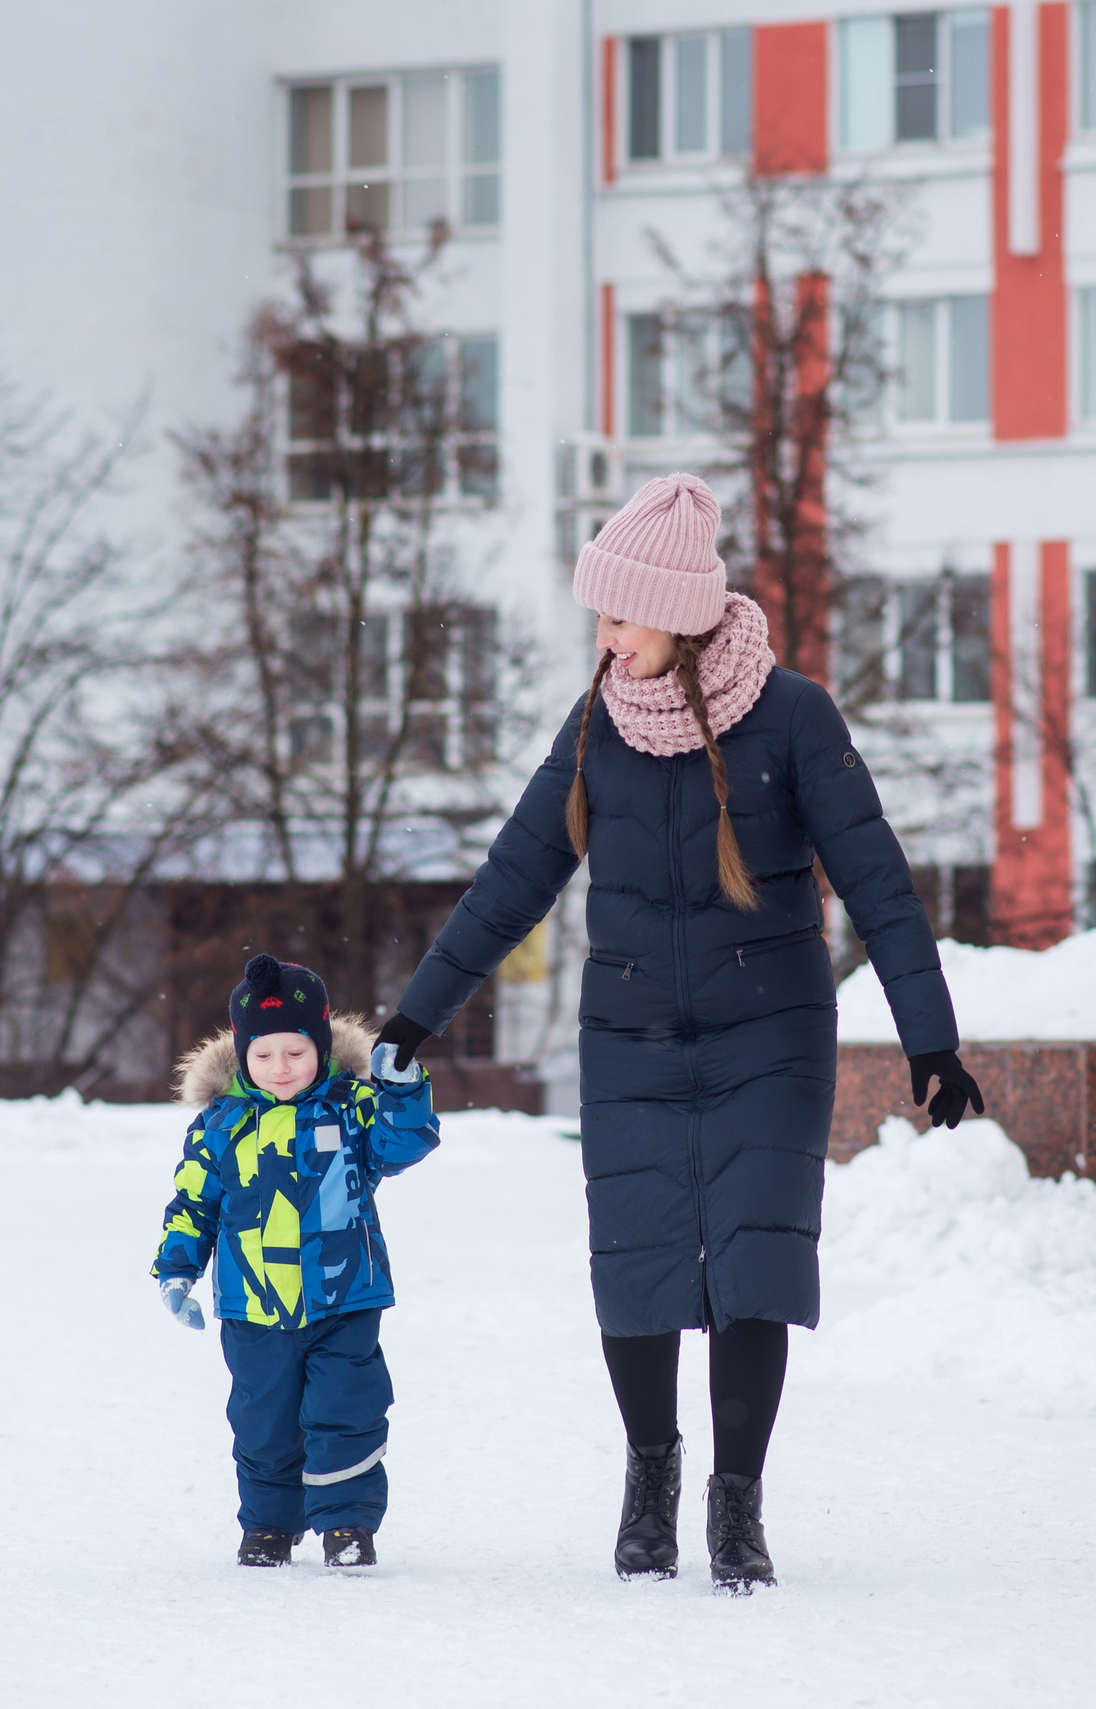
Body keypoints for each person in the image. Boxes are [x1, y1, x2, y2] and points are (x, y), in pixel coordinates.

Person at [373, 473, 982, 1594]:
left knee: (755, 1257)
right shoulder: (597, 723)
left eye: (620, 615)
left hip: (771, 1032)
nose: (605, 638)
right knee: (637, 1257)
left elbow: (878, 882)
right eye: (599, 617)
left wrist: (930, 1041)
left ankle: (736, 1499)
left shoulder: (791, 716)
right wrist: (418, 1014)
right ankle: (650, 1474)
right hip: (633, 1032)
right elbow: (514, 877)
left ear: (677, 611)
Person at [151, 952, 441, 1570]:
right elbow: (194, 1203)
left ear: (321, 1048)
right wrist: (177, 1269)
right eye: (263, 1055)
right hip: (254, 1308)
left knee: (346, 1411)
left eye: (295, 1052)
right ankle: (268, 1526)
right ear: (242, 1054)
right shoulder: (220, 1125)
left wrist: (401, 1086)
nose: (280, 1069)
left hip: (344, 1298)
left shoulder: (352, 1108)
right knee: (264, 1423)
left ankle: (346, 1525)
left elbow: (404, 1142)